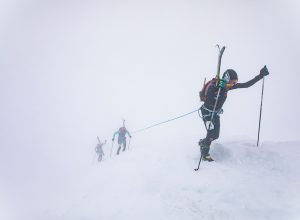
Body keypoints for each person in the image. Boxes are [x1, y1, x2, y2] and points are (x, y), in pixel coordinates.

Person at [199, 66, 270, 161]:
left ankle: (203, 142)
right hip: (207, 113)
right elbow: (209, 101)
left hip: (215, 114)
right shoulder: (214, 85)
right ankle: (205, 153)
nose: (234, 84)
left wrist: (260, 76)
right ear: (227, 79)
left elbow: (246, 85)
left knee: (216, 135)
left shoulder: (226, 87)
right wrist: (217, 88)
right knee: (211, 134)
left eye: (235, 82)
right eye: (233, 82)